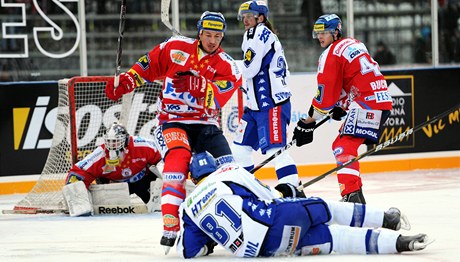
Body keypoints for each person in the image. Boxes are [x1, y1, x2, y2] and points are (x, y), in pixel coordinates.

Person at [104, 11, 242, 251]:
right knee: (177, 160)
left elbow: (219, 97)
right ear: (199, 33)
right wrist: (127, 81)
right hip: (172, 120)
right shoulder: (175, 47)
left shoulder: (228, 65)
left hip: (205, 124)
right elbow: (146, 66)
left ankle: (231, 223)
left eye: (217, 36)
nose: (212, 40)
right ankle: (170, 225)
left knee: (228, 171)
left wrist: (200, 86)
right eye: (208, 34)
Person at [175, 152, 432, 258]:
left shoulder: (188, 208)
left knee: (337, 239)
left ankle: (399, 245)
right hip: (277, 217)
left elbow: (190, 251)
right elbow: (268, 197)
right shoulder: (229, 171)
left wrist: (211, 241)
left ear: (193, 179)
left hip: (267, 249)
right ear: (215, 166)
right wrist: (289, 190)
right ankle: (387, 220)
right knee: (329, 209)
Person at [293, 14, 393, 204]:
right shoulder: (355, 43)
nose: (320, 37)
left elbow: (325, 95)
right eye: (317, 34)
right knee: (344, 144)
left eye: (324, 33)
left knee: (343, 147)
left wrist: (308, 122)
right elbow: (352, 80)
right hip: (379, 100)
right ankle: (353, 194)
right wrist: (342, 105)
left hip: (367, 104)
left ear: (336, 32)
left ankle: (352, 197)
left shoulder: (331, 54)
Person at [232, 1, 303, 197]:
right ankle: (247, 191)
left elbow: (249, 69)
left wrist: (225, 64)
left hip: (271, 105)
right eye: (243, 16)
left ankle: (293, 192)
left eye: (249, 15)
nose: (245, 19)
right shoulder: (252, 34)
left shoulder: (260, 34)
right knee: (239, 149)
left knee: (276, 151)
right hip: (255, 107)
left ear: (260, 18)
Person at [64, 122, 162, 209]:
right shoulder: (100, 154)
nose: (112, 145)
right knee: (110, 213)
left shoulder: (143, 145)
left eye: (116, 141)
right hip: (114, 186)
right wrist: (76, 198)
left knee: (160, 207)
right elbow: (78, 171)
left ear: (126, 140)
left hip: (143, 181)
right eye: (109, 141)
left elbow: (164, 157)